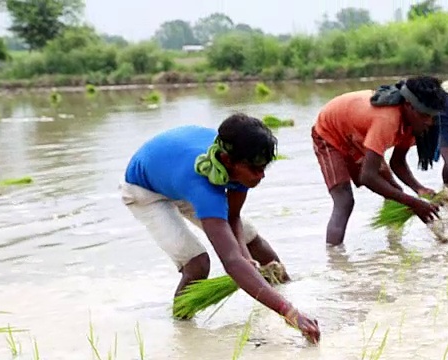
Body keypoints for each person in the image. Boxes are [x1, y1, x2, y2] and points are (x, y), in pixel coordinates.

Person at [119, 114, 320, 343]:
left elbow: (233, 217)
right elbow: (232, 262)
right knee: (197, 264)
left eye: (264, 168)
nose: (261, 175)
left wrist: (246, 257)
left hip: (174, 174)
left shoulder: (238, 163)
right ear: (227, 160)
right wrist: (289, 312)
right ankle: (183, 332)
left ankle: (286, 290)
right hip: (145, 191)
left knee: (253, 242)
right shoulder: (204, 187)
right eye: (255, 169)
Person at [311, 76, 446, 246]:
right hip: (330, 132)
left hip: (358, 134)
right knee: (344, 201)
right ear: (409, 106)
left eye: (432, 117)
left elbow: (397, 163)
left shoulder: (413, 125)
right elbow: (368, 177)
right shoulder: (387, 120)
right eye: (425, 115)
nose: (429, 122)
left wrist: (418, 189)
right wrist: (414, 203)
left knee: (395, 190)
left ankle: (394, 243)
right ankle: (335, 257)